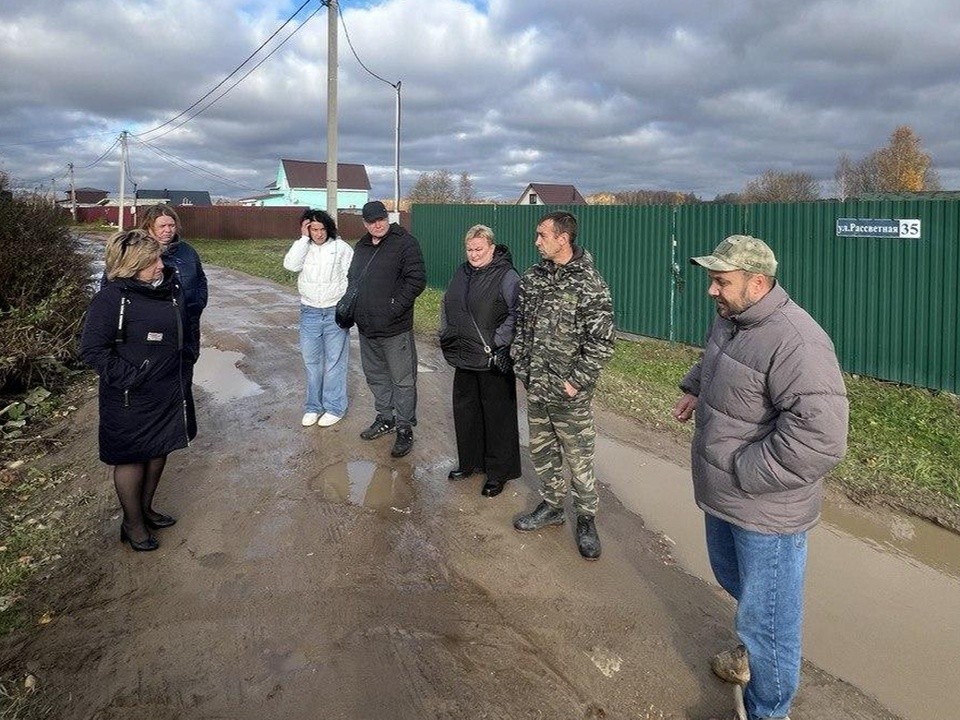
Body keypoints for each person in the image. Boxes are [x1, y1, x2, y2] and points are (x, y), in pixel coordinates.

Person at [671, 235, 849, 720]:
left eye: (721, 281)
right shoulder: (735, 319)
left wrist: (744, 470)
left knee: (769, 620)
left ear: (758, 283)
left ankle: (770, 710)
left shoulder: (798, 341)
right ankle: (751, 655)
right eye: (712, 279)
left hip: (766, 510)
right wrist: (694, 386)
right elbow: (719, 359)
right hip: (729, 498)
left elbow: (821, 440)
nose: (712, 290)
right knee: (737, 584)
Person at [81, 230, 198, 552]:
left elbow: (185, 330)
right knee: (132, 458)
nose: (161, 265)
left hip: (166, 388)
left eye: (159, 258)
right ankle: (132, 523)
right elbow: (92, 349)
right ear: (132, 265)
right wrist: (133, 376)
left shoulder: (169, 290)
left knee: (159, 451)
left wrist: (185, 361)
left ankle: (145, 509)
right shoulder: (112, 298)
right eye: (152, 261)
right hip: (129, 395)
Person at [511, 211, 615, 559]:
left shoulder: (590, 283)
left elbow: (601, 342)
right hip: (537, 386)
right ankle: (553, 507)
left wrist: (575, 382)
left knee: (579, 457)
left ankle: (586, 518)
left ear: (563, 238)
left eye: (542, 235)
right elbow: (522, 327)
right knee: (543, 453)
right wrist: (522, 366)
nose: (536, 241)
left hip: (570, 394)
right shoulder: (533, 278)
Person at [439, 224, 521, 497]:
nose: (473, 254)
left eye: (479, 249)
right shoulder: (462, 272)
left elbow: (516, 312)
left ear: (492, 248)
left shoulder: (506, 275)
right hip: (464, 355)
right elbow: (447, 302)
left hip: (492, 358)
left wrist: (499, 340)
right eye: (470, 249)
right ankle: (471, 462)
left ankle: (498, 472)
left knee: (497, 417)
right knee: (467, 412)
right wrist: (447, 331)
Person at [350, 201, 426, 458]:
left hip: (395, 328)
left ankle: (404, 427)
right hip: (367, 328)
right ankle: (385, 418)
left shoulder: (405, 242)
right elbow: (353, 280)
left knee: (403, 380)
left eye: (381, 219)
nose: (377, 224)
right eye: (371, 221)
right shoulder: (360, 246)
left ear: (387, 217)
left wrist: (394, 308)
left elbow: (417, 280)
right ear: (365, 223)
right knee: (376, 376)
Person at [140, 204, 208, 438]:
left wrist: (195, 306)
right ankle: (155, 431)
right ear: (149, 226)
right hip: (152, 336)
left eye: (171, 225)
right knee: (154, 381)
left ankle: (182, 430)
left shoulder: (187, 252)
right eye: (162, 225)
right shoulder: (136, 252)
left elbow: (201, 281)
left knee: (183, 377)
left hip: (186, 329)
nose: (168, 230)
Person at [283, 208, 353, 427]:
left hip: (334, 312)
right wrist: (303, 239)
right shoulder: (304, 248)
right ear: (307, 229)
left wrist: (346, 304)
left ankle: (334, 407)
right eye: (314, 229)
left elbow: (352, 276)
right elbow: (291, 265)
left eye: (322, 229)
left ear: (328, 228)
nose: (319, 234)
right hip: (310, 312)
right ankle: (313, 407)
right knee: (312, 363)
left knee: (335, 363)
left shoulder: (340, 248)